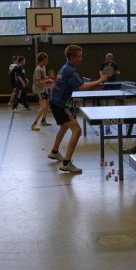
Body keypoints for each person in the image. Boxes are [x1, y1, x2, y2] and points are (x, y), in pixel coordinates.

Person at [48, 44, 109, 173]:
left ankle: (54, 152)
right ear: (72, 57)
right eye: (79, 56)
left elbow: (58, 85)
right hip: (60, 104)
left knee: (64, 126)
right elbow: (81, 87)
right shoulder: (71, 71)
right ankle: (66, 163)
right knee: (77, 130)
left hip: (54, 101)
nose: (81, 58)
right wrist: (99, 80)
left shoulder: (63, 68)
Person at [31, 52, 54, 131]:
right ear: (42, 60)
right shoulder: (38, 69)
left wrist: (48, 77)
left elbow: (43, 78)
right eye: (46, 60)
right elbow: (38, 82)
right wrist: (48, 80)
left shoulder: (43, 67)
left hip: (43, 89)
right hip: (38, 90)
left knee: (47, 105)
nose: (47, 61)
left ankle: (43, 120)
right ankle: (34, 124)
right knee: (43, 106)